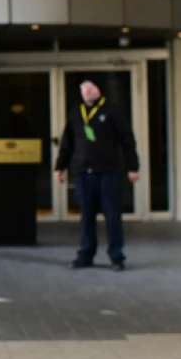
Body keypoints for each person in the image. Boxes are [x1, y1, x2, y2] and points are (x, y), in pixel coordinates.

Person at [54, 79, 140, 272]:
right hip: (84, 173)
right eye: (83, 89)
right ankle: (85, 255)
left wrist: (133, 167)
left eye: (91, 88)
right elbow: (67, 142)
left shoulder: (112, 111)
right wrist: (60, 167)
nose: (87, 92)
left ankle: (116, 257)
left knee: (112, 216)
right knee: (86, 217)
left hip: (108, 172)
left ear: (99, 90)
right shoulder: (76, 113)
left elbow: (127, 139)